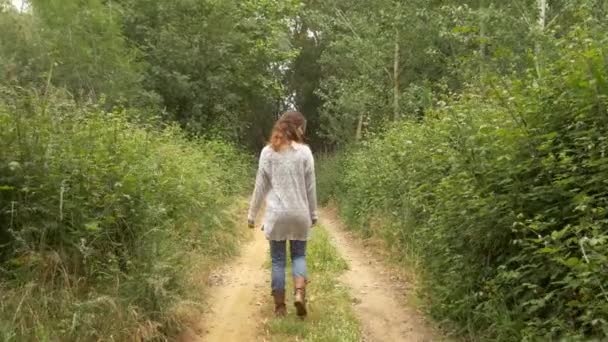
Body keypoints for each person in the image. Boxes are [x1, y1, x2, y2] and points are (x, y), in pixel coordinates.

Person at [247, 111, 318, 318]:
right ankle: (298, 294)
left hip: (276, 216)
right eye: (302, 128)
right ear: (296, 128)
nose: (303, 132)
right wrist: (313, 214)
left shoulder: (267, 153)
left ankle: (279, 308)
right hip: (299, 215)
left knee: (278, 261)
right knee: (299, 256)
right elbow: (310, 187)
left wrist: (252, 215)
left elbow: (260, 187)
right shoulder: (305, 153)